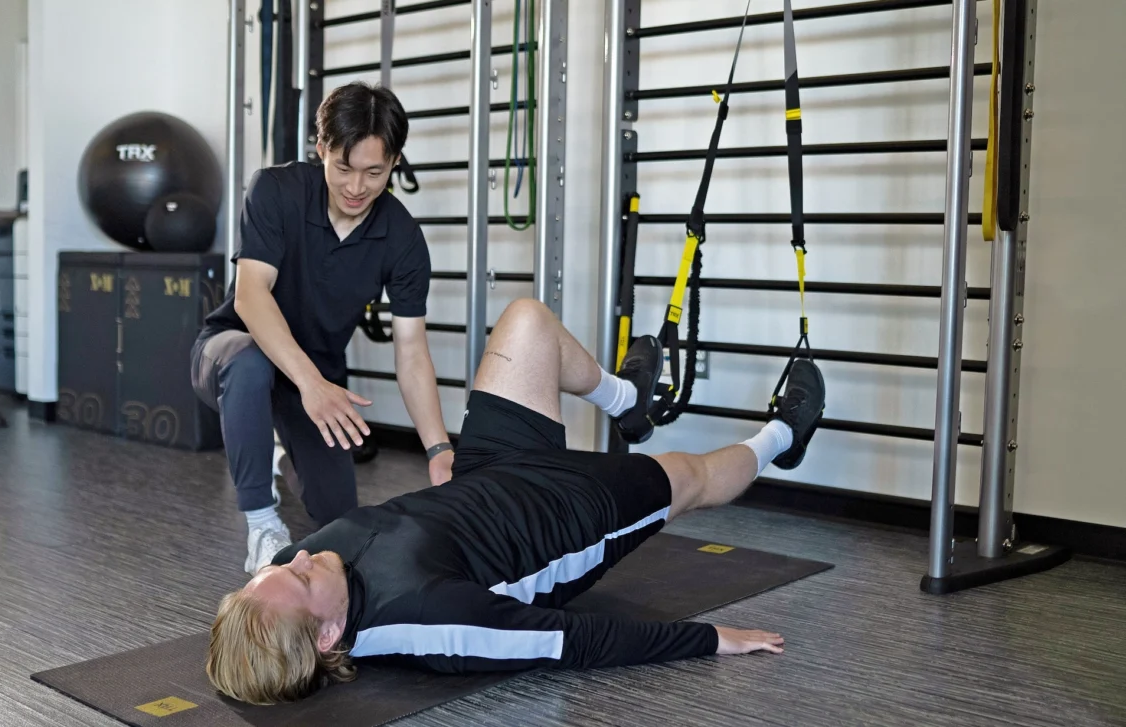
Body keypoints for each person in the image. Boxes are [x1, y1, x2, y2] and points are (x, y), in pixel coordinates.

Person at [206, 298, 826, 706]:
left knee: (527, 320)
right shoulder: (429, 622)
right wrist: (710, 640)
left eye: (281, 566)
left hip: (488, 467)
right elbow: (573, 641)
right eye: (299, 578)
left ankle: (626, 401)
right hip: (571, 514)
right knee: (693, 476)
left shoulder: (294, 570)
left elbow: (287, 583)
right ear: (329, 635)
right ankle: (784, 436)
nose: (297, 556)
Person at [192, 82, 454, 575]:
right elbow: (251, 296)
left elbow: (411, 351)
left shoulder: (402, 238)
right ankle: (261, 523)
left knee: (342, 521)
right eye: (343, 168)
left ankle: (282, 454)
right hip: (231, 354)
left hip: (312, 382)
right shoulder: (275, 190)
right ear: (321, 148)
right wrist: (311, 383)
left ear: (394, 162)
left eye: (374, 172)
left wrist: (438, 449)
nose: (357, 187)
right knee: (250, 362)